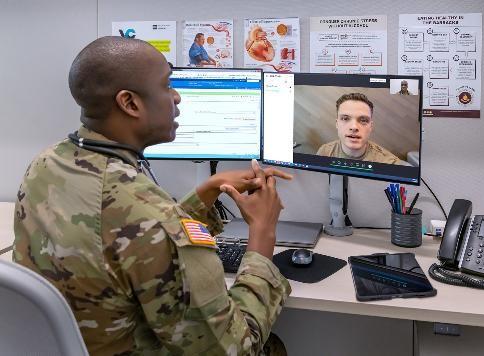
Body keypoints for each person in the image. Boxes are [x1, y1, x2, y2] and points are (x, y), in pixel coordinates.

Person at [13, 36, 292, 355]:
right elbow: (233, 349)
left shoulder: (46, 164)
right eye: (166, 85)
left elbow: (131, 233)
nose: (176, 97)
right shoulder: (151, 216)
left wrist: (205, 192)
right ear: (130, 103)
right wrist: (262, 234)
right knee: (270, 346)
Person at [316, 93, 404, 165]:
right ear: (337, 123)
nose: (354, 127)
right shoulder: (324, 152)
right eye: (345, 118)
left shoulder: (390, 163)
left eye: (363, 120)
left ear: (371, 126)